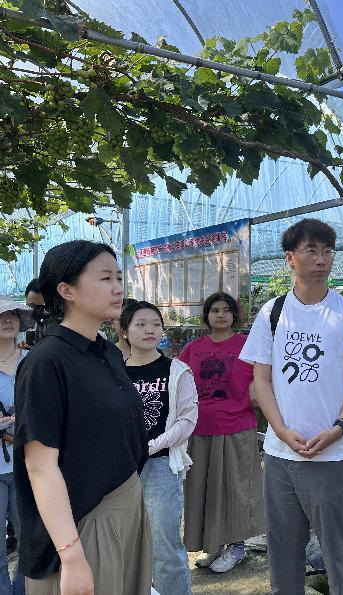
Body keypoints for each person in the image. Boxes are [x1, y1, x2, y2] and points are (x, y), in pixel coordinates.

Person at [240, 218, 343, 594]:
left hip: (332, 454)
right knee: (283, 550)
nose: (321, 259)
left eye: (327, 251)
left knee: (337, 552)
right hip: (281, 454)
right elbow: (261, 380)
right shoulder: (272, 312)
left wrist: (339, 427)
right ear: (290, 258)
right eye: (311, 251)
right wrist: (281, 431)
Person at [14, 240, 151, 594]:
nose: (118, 287)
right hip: (83, 523)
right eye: (105, 278)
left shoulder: (108, 352)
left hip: (127, 505)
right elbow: (40, 466)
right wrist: (71, 555)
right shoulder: (47, 361)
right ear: (67, 290)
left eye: (118, 277)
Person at [179, 291, 264, 573]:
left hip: (236, 427)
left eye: (226, 310)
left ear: (234, 315)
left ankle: (237, 546)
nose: (221, 314)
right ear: (206, 316)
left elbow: (263, 380)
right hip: (199, 429)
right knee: (202, 489)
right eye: (215, 310)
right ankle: (213, 545)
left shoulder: (248, 345)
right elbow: (179, 384)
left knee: (234, 488)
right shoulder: (193, 348)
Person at [122, 301, 197, 595]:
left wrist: (151, 446)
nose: (149, 330)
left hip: (162, 466)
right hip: (120, 470)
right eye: (140, 324)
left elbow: (187, 421)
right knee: (124, 544)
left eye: (155, 324)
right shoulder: (115, 372)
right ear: (125, 331)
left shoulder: (177, 370)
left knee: (164, 547)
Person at [0, 299, 32, 595]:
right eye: (1, 316)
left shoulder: (33, 360)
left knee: (30, 539)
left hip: (29, 463)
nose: (7, 319)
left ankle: (24, 591)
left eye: (12, 314)